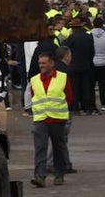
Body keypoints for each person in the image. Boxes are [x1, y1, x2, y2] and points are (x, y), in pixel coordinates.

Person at [29, 52, 71, 188]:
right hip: (41, 119)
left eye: (44, 63)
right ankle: (40, 176)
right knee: (40, 148)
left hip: (57, 119)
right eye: (40, 63)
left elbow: (69, 97)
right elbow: (34, 96)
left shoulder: (62, 77)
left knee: (58, 148)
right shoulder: (34, 80)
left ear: (51, 64)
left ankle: (59, 174)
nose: (41, 66)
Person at [64, 19, 97, 115]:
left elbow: (65, 49)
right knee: (86, 88)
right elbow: (92, 52)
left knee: (75, 88)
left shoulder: (72, 38)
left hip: (74, 66)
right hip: (87, 66)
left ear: (73, 28)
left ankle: (76, 108)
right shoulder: (88, 37)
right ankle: (87, 108)